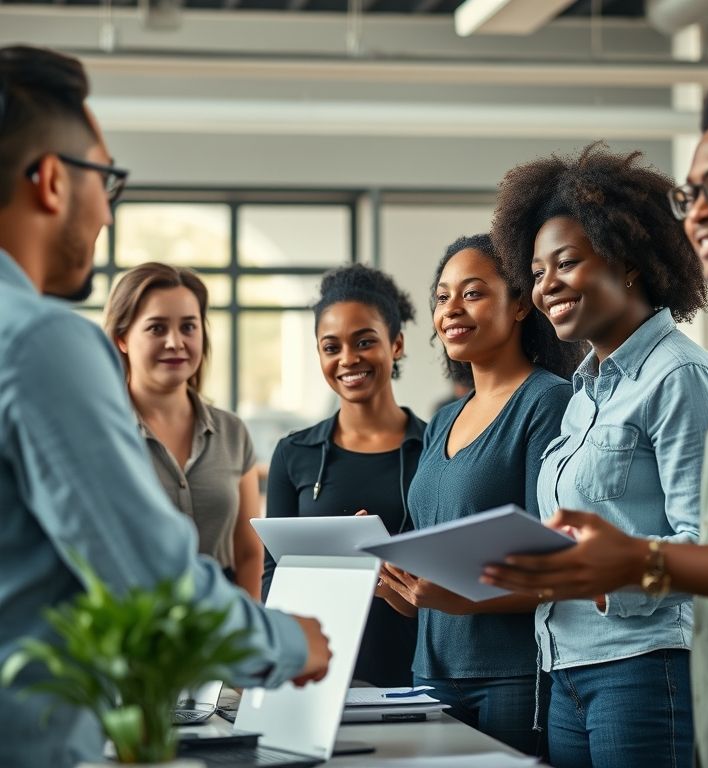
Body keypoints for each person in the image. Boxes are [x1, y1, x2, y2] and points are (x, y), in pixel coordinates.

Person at [0, 45, 330, 768]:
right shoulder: (39, 342)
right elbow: (148, 578)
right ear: (53, 180)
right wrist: (286, 642)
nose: (107, 215)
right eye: (106, 180)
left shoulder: (228, 431)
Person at [483, 72, 708, 768]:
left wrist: (633, 562)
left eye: (567, 263)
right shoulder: (582, 393)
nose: (546, 283)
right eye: (537, 270)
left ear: (629, 262)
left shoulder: (682, 377)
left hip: (647, 666)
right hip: (568, 664)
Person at [379, 234, 581, 756]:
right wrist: (390, 580)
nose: (451, 310)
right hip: (431, 672)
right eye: (443, 297)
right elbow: (430, 587)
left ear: (519, 303)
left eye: (472, 293)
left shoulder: (548, 401)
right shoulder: (443, 418)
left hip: (511, 677)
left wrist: (462, 599)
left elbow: (557, 568)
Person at [263, 263, 423, 687]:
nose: (348, 359)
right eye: (330, 347)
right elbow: (273, 576)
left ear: (397, 344)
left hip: (418, 672)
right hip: (322, 672)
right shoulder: (293, 453)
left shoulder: (437, 447)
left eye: (365, 341)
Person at [103, 263, 264, 598]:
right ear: (122, 338)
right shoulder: (101, 432)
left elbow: (249, 553)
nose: (175, 342)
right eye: (156, 328)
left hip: (221, 632)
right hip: (133, 625)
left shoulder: (232, 432)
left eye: (188, 327)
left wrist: (249, 635)